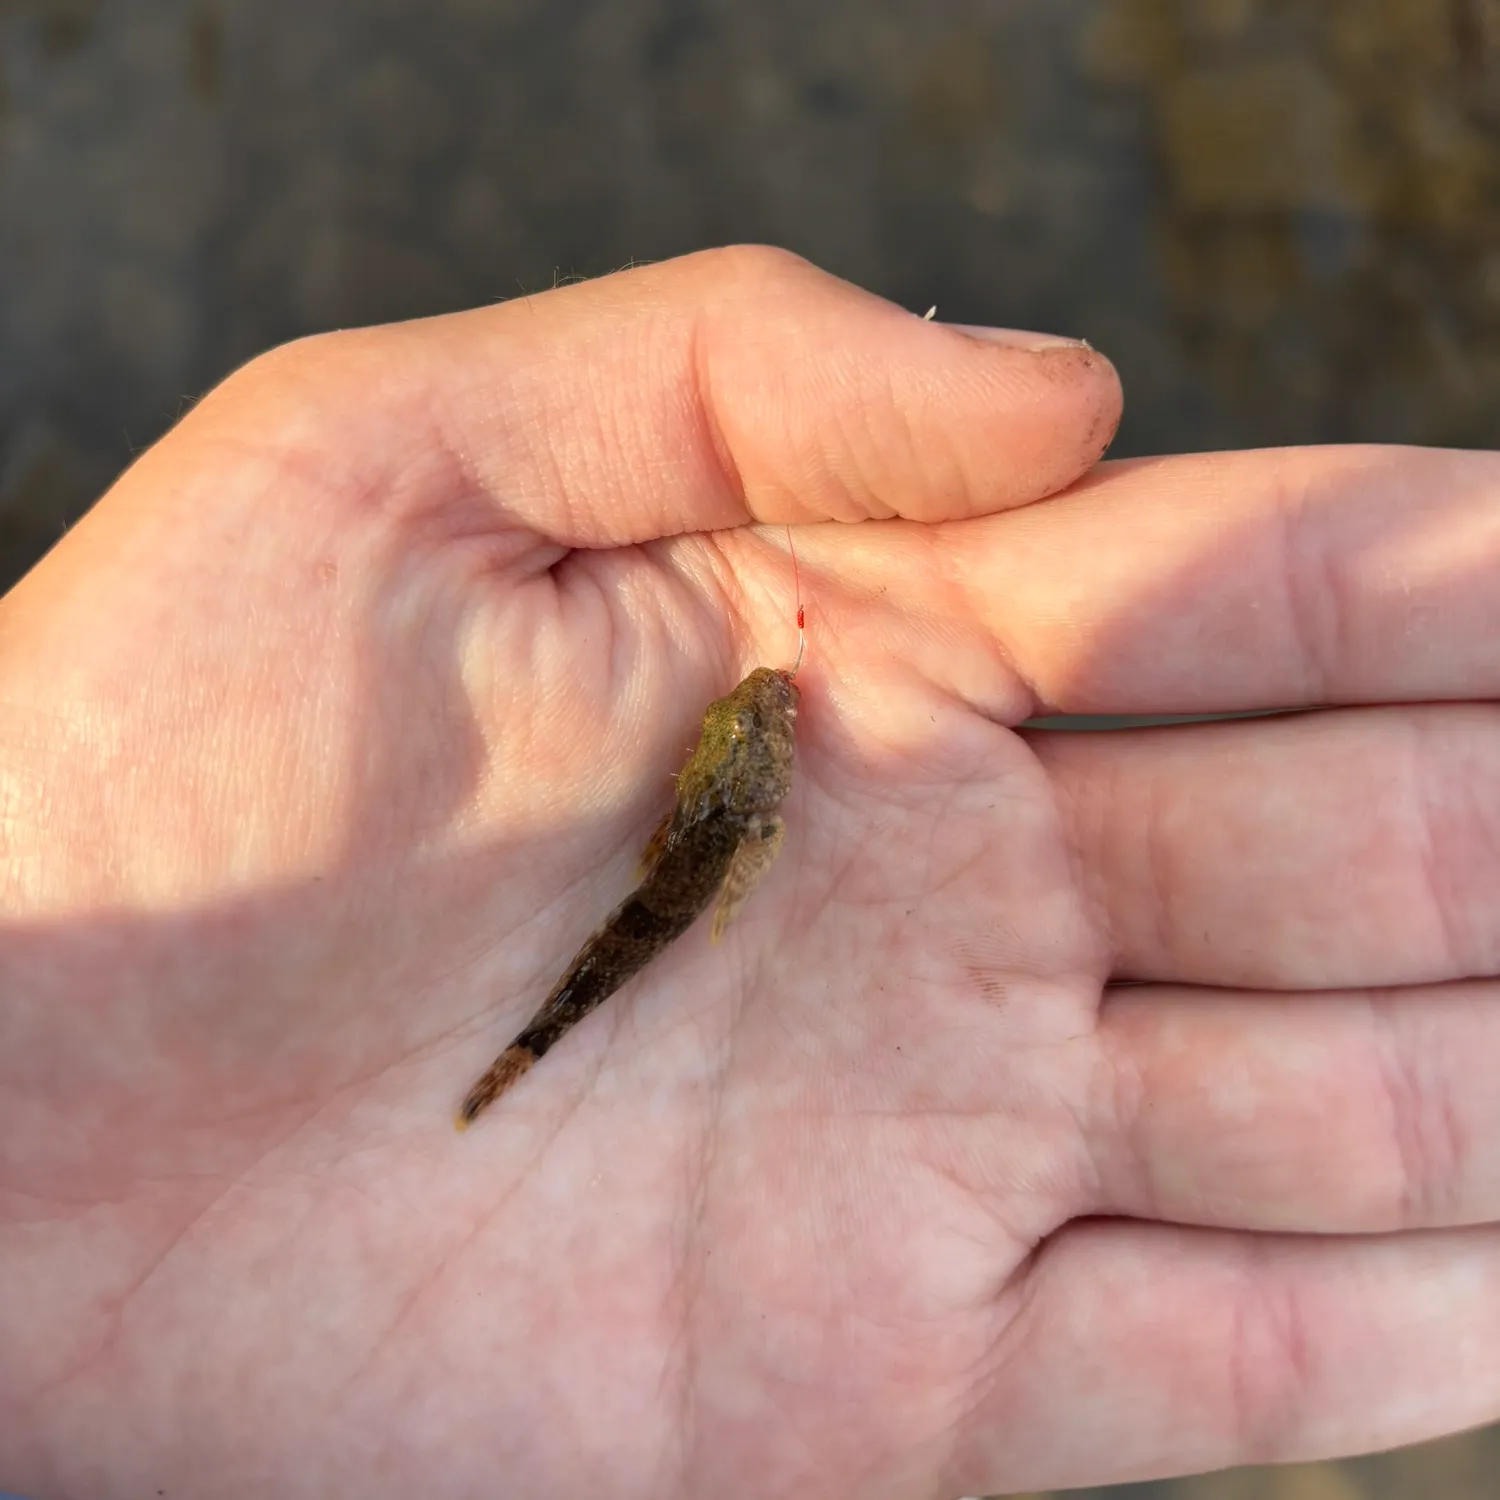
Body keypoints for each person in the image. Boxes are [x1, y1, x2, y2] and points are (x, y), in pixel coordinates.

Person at [1, 246, 1496, 1500]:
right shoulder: (742, 791)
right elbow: (729, 826)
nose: (769, 708)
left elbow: (726, 819)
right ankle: (518, 1057)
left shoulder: (735, 780)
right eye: (756, 715)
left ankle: (519, 1059)